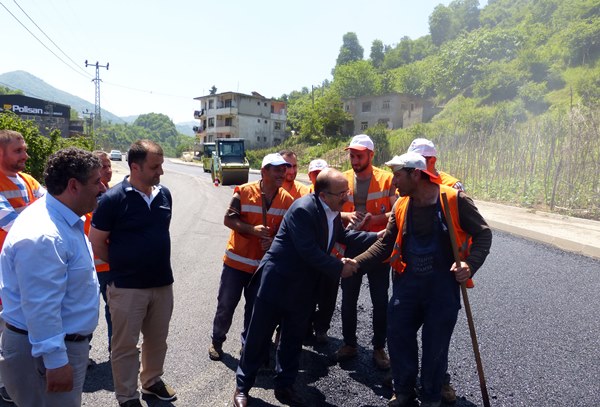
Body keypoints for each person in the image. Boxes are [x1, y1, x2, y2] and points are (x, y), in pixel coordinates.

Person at [352, 152, 492, 407]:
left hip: (442, 288)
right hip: (408, 285)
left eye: (397, 176)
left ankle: (430, 397)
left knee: (434, 346)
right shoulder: (401, 205)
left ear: (415, 174)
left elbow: (483, 235)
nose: (394, 183)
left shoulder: (454, 200)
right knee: (398, 336)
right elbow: (386, 245)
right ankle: (403, 391)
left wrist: (469, 265)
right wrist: (356, 263)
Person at [233, 168, 377, 407]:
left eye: (347, 191)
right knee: (257, 337)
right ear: (323, 195)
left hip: (303, 288)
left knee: (292, 339)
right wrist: (339, 268)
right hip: (277, 282)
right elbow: (309, 252)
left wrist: (380, 236)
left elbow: (344, 239)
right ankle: (243, 386)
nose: (347, 197)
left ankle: (285, 386)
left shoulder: (331, 211)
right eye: (342, 193)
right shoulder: (303, 210)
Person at [0, 147, 105, 406]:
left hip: (55, 347)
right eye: (96, 181)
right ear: (73, 186)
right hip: (44, 353)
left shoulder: (62, 217)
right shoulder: (45, 234)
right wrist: (56, 361)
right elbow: (41, 307)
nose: (103, 187)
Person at [89, 140, 175, 407]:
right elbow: (97, 241)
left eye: (161, 165)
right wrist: (122, 265)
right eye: (155, 166)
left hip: (162, 283)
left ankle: (151, 382)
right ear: (135, 167)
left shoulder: (164, 194)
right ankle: (127, 396)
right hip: (126, 286)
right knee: (125, 345)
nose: (160, 172)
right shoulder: (112, 199)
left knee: (157, 340)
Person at [208, 153, 294, 361]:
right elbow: (229, 220)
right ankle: (217, 341)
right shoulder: (244, 192)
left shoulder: (288, 200)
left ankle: (248, 346)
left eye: (284, 169)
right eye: (277, 169)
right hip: (236, 264)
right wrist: (252, 230)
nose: (282, 173)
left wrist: (272, 241)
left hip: (262, 267)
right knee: (226, 304)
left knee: (255, 310)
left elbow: (287, 233)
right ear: (264, 172)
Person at [407, 137, 465, 403]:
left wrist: (466, 262)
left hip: (444, 270)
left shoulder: (452, 187)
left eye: (424, 161)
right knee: (403, 328)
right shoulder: (408, 183)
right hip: (410, 269)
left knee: (437, 333)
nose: (419, 167)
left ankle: (440, 382)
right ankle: (405, 380)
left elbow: (467, 226)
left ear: (433, 161)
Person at [336, 134, 397, 370]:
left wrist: (376, 220)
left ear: (371, 155)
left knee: (380, 298)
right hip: (350, 244)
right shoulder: (342, 180)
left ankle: (379, 347)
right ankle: (349, 344)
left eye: (359, 155)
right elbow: (330, 210)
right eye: (351, 155)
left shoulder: (387, 180)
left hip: (378, 246)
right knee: (348, 297)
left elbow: (398, 211)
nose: (354, 159)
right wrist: (346, 216)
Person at [0, 129, 47, 403]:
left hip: (26, 271)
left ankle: (17, 379)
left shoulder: (28, 180)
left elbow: (49, 210)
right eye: (19, 151)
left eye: (25, 149)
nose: (25, 155)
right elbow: (13, 224)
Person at [83, 150, 113, 355]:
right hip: (90, 267)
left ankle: (116, 347)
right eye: (103, 167)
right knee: (85, 312)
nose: (109, 171)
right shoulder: (87, 196)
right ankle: (81, 352)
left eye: (109, 166)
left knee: (115, 311)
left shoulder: (112, 193)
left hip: (111, 266)